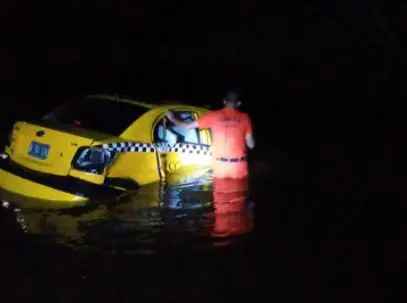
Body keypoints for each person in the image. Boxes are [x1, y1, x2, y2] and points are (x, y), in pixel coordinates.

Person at [165, 90, 255, 179]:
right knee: (239, 193)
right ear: (239, 103)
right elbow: (251, 145)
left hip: (221, 167)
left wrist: (172, 118)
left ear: (224, 101)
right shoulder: (245, 117)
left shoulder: (213, 115)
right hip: (238, 167)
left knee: (221, 192)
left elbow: (186, 127)